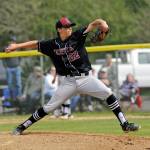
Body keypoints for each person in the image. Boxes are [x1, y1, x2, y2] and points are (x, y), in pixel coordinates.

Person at [5, 17, 140, 135]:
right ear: (59, 29)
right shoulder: (52, 45)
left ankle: (124, 124)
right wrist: (16, 46)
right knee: (48, 108)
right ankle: (22, 126)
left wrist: (103, 23)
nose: (69, 28)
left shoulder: (77, 36)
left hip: (86, 79)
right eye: (66, 26)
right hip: (69, 82)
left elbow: (94, 24)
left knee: (109, 94)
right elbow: (35, 43)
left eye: (70, 26)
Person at [3, 38, 22, 102]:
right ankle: (12, 97)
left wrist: (19, 64)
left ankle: (19, 96)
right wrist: (5, 66)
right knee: (10, 83)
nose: (13, 44)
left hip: (17, 67)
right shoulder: (6, 49)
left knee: (18, 83)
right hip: (9, 68)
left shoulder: (17, 49)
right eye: (11, 43)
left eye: (14, 43)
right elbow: (3, 59)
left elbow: (20, 58)